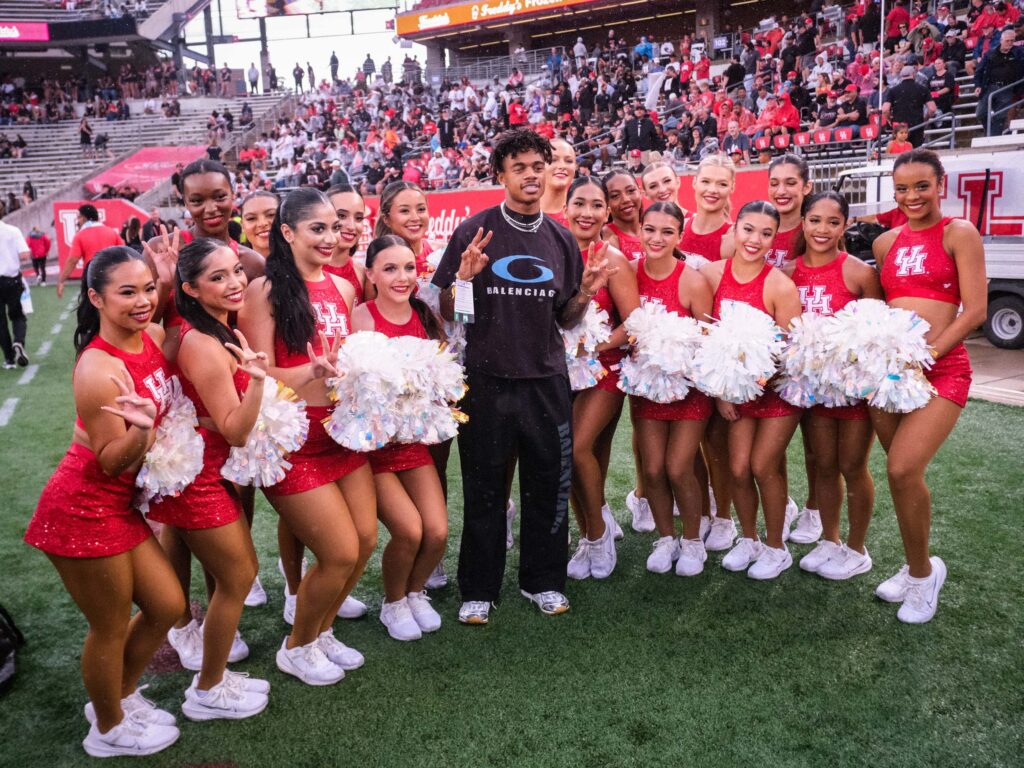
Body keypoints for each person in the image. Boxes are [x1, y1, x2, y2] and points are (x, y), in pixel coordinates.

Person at [431, 129, 612, 624]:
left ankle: (543, 581)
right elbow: (448, 312)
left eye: (538, 166)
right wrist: (463, 279)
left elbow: (567, 318)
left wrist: (587, 293)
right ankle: (479, 588)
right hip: (486, 381)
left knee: (547, 484)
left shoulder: (560, 238)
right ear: (500, 175)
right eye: (520, 168)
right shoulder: (475, 229)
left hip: (546, 380)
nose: (531, 175)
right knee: (484, 486)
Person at [24, 246, 185, 757]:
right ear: (95, 297)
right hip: (82, 507)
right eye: (127, 292)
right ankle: (108, 728)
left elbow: (176, 318)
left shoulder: (153, 335)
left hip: (120, 508)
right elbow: (112, 461)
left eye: (148, 289)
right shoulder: (97, 368)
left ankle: (118, 693)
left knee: (167, 606)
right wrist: (143, 432)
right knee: (110, 625)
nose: (143, 301)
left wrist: (172, 274)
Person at [238, 187, 377, 682]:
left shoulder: (341, 287)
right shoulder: (265, 292)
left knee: (363, 543)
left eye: (333, 228)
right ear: (288, 232)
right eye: (316, 228)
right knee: (338, 552)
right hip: (293, 440)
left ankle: (320, 631)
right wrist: (310, 373)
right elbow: (254, 374)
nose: (329, 237)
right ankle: (296, 646)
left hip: (341, 433)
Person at [148, 237, 269, 719]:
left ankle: (212, 676)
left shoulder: (213, 329)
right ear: (191, 290)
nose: (236, 282)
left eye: (236, 271)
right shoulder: (203, 345)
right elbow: (237, 430)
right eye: (218, 277)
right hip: (201, 477)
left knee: (233, 577)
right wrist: (258, 383)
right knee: (239, 577)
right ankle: (208, 690)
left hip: (209, 468)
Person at [870, 149, 987, 623]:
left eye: (922, 186)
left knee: (901, 469)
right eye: (902, 189)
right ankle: (916, 564)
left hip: (941, 369)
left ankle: (924, 578)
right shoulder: (885, 243)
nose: (912, 196)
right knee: (903, 479)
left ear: (941, 183)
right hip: (890, 375)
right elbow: (879, 313)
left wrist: (927, 356)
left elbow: (975, 311)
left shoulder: (960, 233)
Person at [350, 235, 448, 640]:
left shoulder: (424, 315)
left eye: (408, 268)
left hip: (412, 441)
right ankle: (393, 603)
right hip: (374, 447)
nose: (402, 277)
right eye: (390, 269)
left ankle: (414, 592)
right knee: (409, 530)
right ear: (370, 274)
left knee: (438, 531)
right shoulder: (362, 317)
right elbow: (354, 388)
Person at [700, 201, 803, 580]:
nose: (754, 239)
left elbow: (788, 355)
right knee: (739, 468)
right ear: (734, 229)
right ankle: (749, 539)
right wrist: (721, 393)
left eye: (765, 233)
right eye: (748, 229)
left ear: (775, 239)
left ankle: (777, 547)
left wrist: (748, 381)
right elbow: (704, 341)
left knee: (762, 466)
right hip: (732, 394)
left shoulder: (780, 285)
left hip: (776, 392)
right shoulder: (712, 275)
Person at [783, 192, 883, 580]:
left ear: (844, 226)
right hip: (813, 387)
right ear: (803, 222)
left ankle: (857, 549)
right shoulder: (789, 273)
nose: (822, 229)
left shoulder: (859, 272)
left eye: (832, 222)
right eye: (814, 220)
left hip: (854, 389)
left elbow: (879, 332)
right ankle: (830, 539)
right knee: (823, 464)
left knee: (852, 465)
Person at [631, 202, 716, 577]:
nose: (657, 238)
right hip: (646, 385)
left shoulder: (692, 280)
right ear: (640, 231)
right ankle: (666, 538)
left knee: (679, 466)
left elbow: (709, 337)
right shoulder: (630, 274)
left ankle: (694, 541)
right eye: (650, 229)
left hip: (689, 389)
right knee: (651, 469)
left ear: (680, 236)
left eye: (667, 232)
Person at [563, 177, 638, 581]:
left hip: (604, 369)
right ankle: (589, 529)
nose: (587, 213)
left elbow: (634, 322)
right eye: (580, 204)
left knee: (576, 449)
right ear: (565, 208)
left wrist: (595, 347)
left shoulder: (614, 259)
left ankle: (598, 535)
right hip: (562, 373)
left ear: (606, 214)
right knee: (581, 456)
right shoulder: (554, 253)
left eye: (596, 206)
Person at [764, 153, 819, 543]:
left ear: (806, 187)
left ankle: (815, 511)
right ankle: (781, 506)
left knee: (818, 444)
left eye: (790, 183)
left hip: (810, 349)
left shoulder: (817, 226)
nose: (782, 190)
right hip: (767, 348)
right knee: (773, 442)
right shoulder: (761, 226)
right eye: (775, 183)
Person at [58, 204, 124, 299]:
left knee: (91, 309)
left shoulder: (80, 235)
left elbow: (73, 260)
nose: (78, 221)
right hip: (112, 276)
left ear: (84, 218)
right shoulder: (112, 232)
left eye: (79, 217)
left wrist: (61, 281)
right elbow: (123, 253)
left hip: (92, 278)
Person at [374, 181, 433, 278]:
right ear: (386, 219)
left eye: (421, 209)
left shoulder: (441, 254)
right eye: (404, 211)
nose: (415, 218)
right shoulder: (378, 263)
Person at [974, 28, 1024, 135]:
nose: (1010, 43)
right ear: (1001, 40)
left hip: (1007, 88)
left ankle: (992, 138)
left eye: (1012, 40)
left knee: (999, 116)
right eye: (1007, 41)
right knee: (980, 113)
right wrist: (978, 85)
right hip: (990, 87)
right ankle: (990, 132)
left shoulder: (1019, 52)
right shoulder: (991, 53)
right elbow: (979, 69)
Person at [325, 185, 368, 302]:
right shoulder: (303, 271)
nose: (351, 226)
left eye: (358, 218)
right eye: (341, 216)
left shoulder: (363, 274)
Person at [0, 215, 30, 370]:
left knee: (1, 323)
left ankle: (9, 359)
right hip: (11, 280)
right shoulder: (12, 230)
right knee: (17, 315)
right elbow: (24, 254)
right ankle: (18, 341)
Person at [882, 65, 937, 147]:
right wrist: (925, 119)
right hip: (917, 125)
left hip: (899, 126)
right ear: (914, 75)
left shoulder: (893, 90)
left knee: (900, 152)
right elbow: (932, 109)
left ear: (901, 75)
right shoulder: (922, 89)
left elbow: (885, 109)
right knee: (915, 152)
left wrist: (889, 119)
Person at [540, 137, 577, 227]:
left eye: (569, 161)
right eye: (553, 160)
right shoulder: (521, 213)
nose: (562, 166)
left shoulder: (582, 214)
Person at [240, 190, 278, 259]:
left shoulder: (302, 261)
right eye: (251, 218)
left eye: (271, 214)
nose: (262, 223)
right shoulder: (234, 267)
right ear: (242, 226)